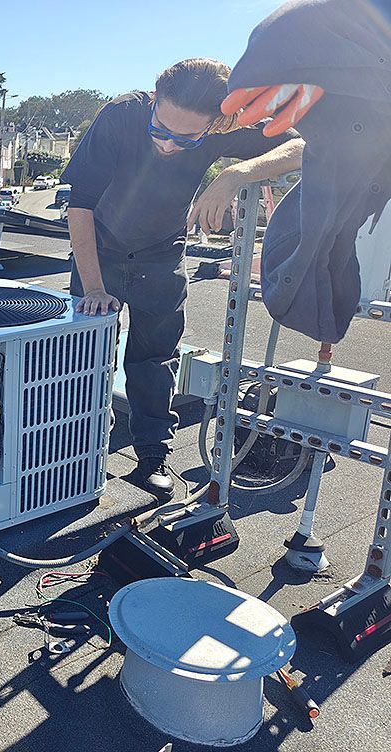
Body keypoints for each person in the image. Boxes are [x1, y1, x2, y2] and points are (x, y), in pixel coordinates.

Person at [61, 58, 304, 499]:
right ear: (153, 100)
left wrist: (235, 174)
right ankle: (80, 452)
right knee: (87, 355)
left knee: (154, 360)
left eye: (186, 138)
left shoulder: (224, 128)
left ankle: (152, 457)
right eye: (161, 130)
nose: (169, 146)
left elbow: (300, 146)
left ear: (217, 124)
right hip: (102, 249)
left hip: (161, 254)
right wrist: (93, 286)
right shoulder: (119, 116)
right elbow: (79, 204)